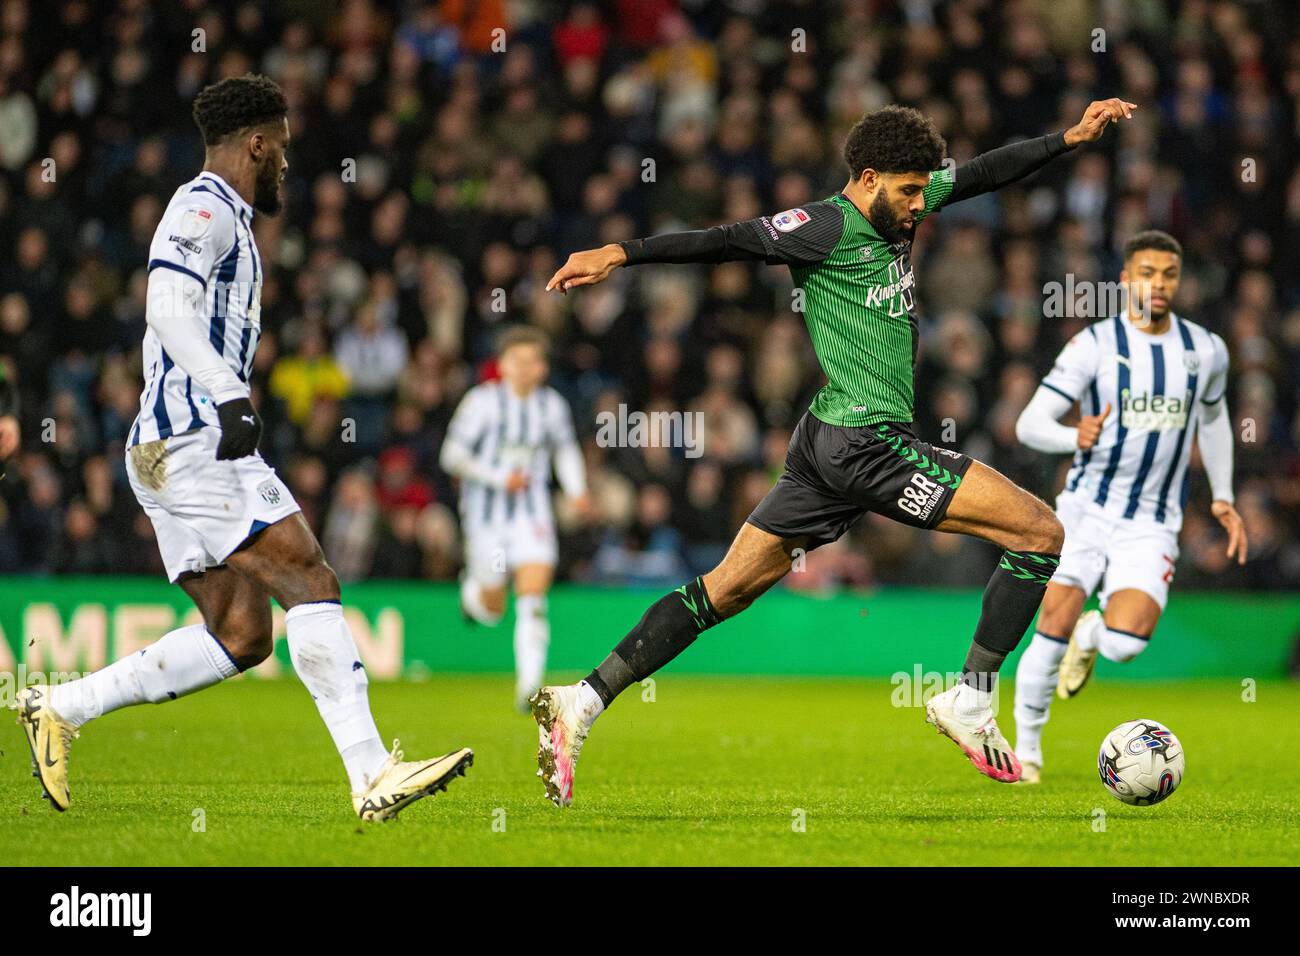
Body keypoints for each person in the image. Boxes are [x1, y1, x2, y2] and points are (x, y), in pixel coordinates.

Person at [529, 99, 1137, 806]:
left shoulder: (903, 202)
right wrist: (620, 254)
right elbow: (725, 240)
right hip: (865, 442)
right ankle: (970, 701)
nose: (919, 207)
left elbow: (982, 174)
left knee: (721, 591)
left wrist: (1069, 137)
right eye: (909, 193)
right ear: (869, 178)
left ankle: (581, 702)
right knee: (1040, 533)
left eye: (922, 192)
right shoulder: (822, 225)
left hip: (827, 445)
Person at [13, 74, 472, 821]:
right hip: (191, 437)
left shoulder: (227, 215)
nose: (287, 164)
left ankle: (60, 705)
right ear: (257, 143)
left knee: (242, 632)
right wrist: (229, 392)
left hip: (162, 446)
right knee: (310, 577)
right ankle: (370, 776)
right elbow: (165, 304)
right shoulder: (204, 205)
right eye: (283, 149)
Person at [1011, 230, 1247, 783]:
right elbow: (1029, 424)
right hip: (1085, 511)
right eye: (1147, 272)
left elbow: (1213, 420)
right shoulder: (1094, 344)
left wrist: (1224, 496)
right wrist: (1076, 437)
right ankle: (1028, 754)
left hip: (1152, 522)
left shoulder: (1205, 350)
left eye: (1168, 274)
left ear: (1179, 280)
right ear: (1125, 280)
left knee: (1125, 645)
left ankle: (1093, 637)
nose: (1158, 284)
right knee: (1051, 620)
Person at [440, 326, 592, 711]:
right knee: (494, 606)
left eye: (532, 361)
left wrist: (577, 491)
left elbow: (564, 449)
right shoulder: (481, 403)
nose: (525, 369)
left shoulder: (551, 405)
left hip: (532, 514)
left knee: (533, 595)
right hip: (485, 516)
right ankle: (472, 595)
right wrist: (497, 476)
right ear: (502, 366)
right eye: (517, 361)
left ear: (542, 368)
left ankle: (529, 685)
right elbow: (451, 456)